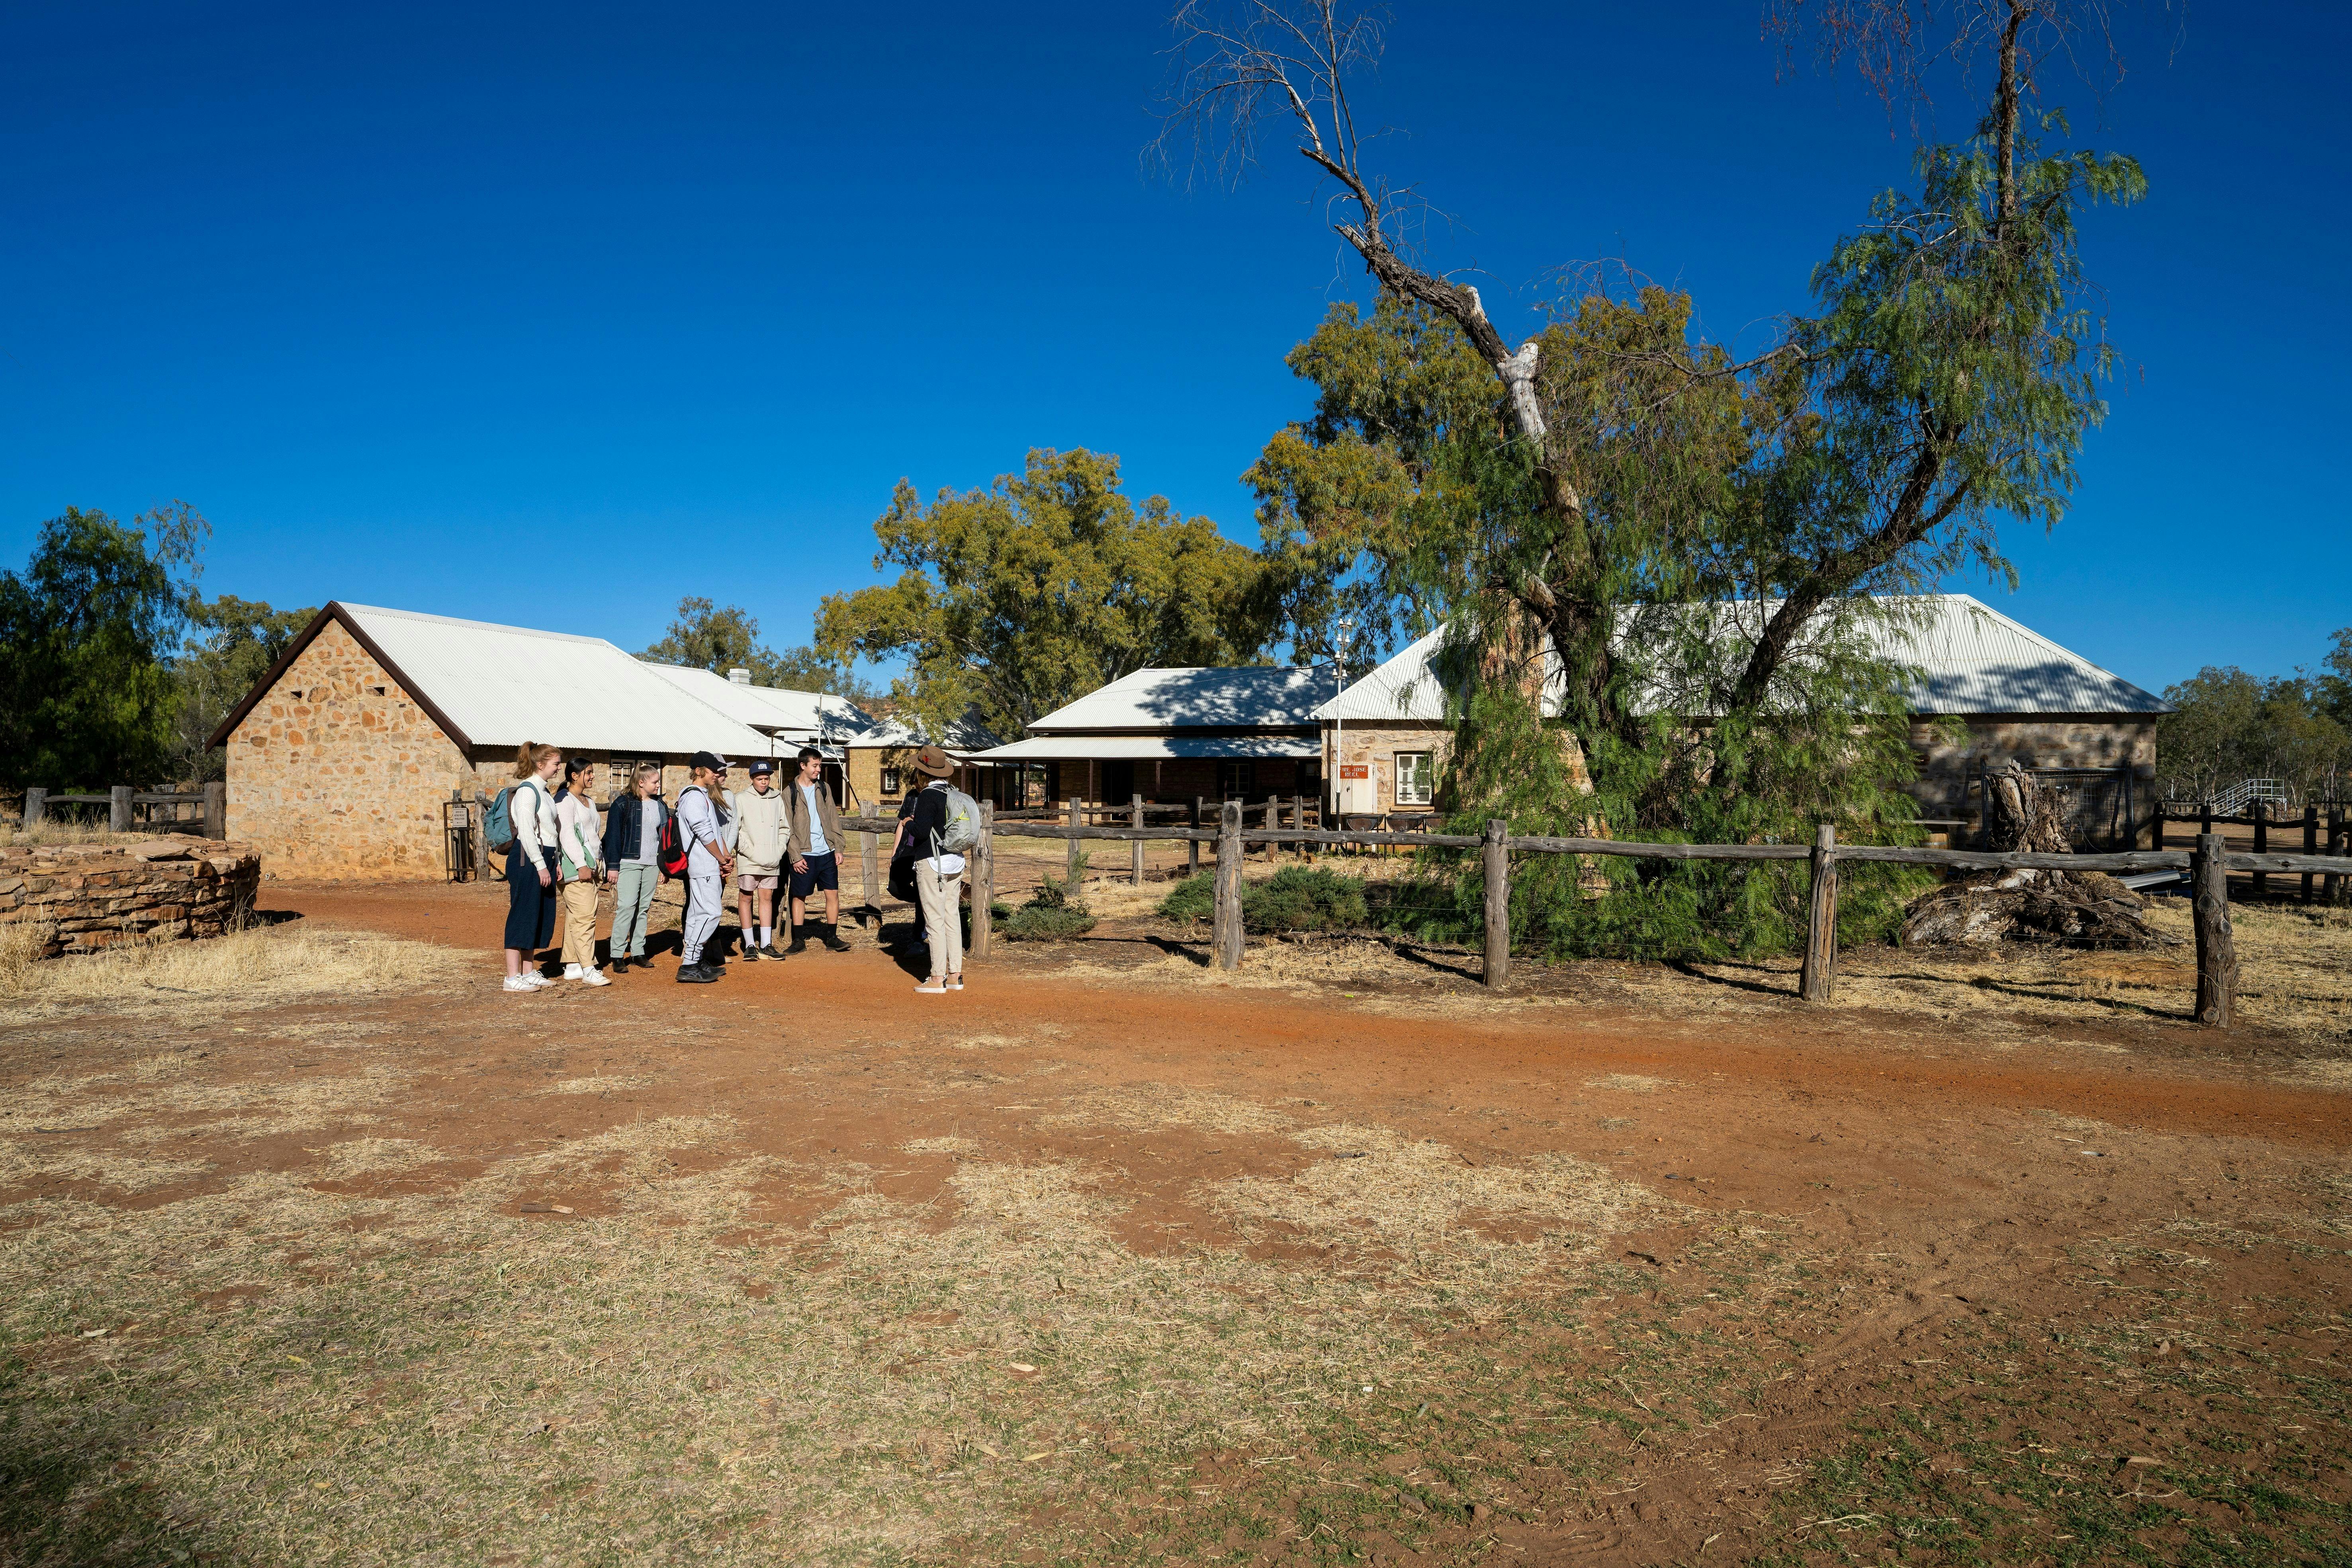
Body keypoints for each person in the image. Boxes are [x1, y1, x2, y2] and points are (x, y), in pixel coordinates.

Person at [889, 745, 964, 994]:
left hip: (932, 862)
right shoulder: (953, 793)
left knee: (934, 920)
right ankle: (955, 975)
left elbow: (921, 831)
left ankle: (936, 978)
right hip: (955, 860)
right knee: (952, 917)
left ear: (923, 772)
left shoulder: (928, 796)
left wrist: (908, 822)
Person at [502, 742, 564, 992]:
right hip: (527, 859)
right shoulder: (528, 792)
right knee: (523, 913)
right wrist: (540, 865)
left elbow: (551, 831)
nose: (559, 768)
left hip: (545, 857)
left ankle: (528, 972)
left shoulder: (544, 791)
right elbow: (527, 832)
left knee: (539, 915)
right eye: (556, 764)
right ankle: (511, 977)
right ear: (541, 764)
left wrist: (555, 862)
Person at [674, 750, 735, 983]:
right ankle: (690, 962)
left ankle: (695, 961)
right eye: (712, 770)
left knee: (697, 913)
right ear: (699, 771)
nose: (717, 774)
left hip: (707, 863)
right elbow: (703, 831)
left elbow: (715, 831)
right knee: (711, 912)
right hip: (702, 864)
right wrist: (721, 858)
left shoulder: (701, 795)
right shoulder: (694, 797)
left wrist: (725, 856)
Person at [784, 746, 853, 953]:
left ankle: (832, 937)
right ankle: (798, 940)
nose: (819, 770)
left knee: (833, 894)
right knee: (799, 896)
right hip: (803, 854)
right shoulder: (789, 792)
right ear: (803, 765)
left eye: (820, 765)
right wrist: (795, 857)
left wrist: (838, 847)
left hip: (826, 853)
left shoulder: (824, 788)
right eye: (815, 766)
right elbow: (787, 827)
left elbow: (833, 818)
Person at [551, 758, 611, 986]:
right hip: (576, 868)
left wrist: (599, 862)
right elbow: (566, 834)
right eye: (589, 772)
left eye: (593, 772)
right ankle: (589, 967)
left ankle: (573, 965)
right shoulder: (564, 800)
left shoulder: (588, 801)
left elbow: (593, 835)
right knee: (586, 917)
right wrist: (580, 864)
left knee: (578, 917)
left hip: (591, 866)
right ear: (574, 776)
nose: (593, 776)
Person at [601, 762, 665, 971]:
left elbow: (663, 838)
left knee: (643, 908)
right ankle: (617, 954)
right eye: (655, 782)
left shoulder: (660, 805)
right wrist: (613, 866)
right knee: (627, 907)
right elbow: (613, 836)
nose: (658, 786)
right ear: (641, 782)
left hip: (652, 864)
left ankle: (638, 951)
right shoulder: (622, 803)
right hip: (629, 862)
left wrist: (664, 866)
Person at [730, 759, 788, 960]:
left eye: (767, 778)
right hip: (749, 859)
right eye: (760, 779)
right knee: (746, 897)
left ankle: (766, 943)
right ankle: (749, 944)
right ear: (752, 779)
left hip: (772, 860)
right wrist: (750, 852)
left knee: (767, 898)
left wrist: (779, 851)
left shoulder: (777, 798)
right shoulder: (741, 799)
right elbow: (735, 831)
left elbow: (784, 829)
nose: (764, 782)